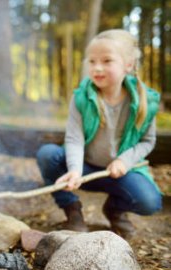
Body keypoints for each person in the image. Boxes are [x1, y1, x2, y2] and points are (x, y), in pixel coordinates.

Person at [36, 29, 162, 239]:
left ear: (128, 65)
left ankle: (114, 209)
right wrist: (75, 170)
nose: (97, 68)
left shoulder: (145, 102)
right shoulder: (81, 98)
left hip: (120, 172)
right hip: (85, 169)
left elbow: (148, 141)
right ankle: (72, 210)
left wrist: (124, 160)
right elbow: (74, 139)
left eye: (107, 61)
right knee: (48, 154)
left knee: (150, 201)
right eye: (92, 61)